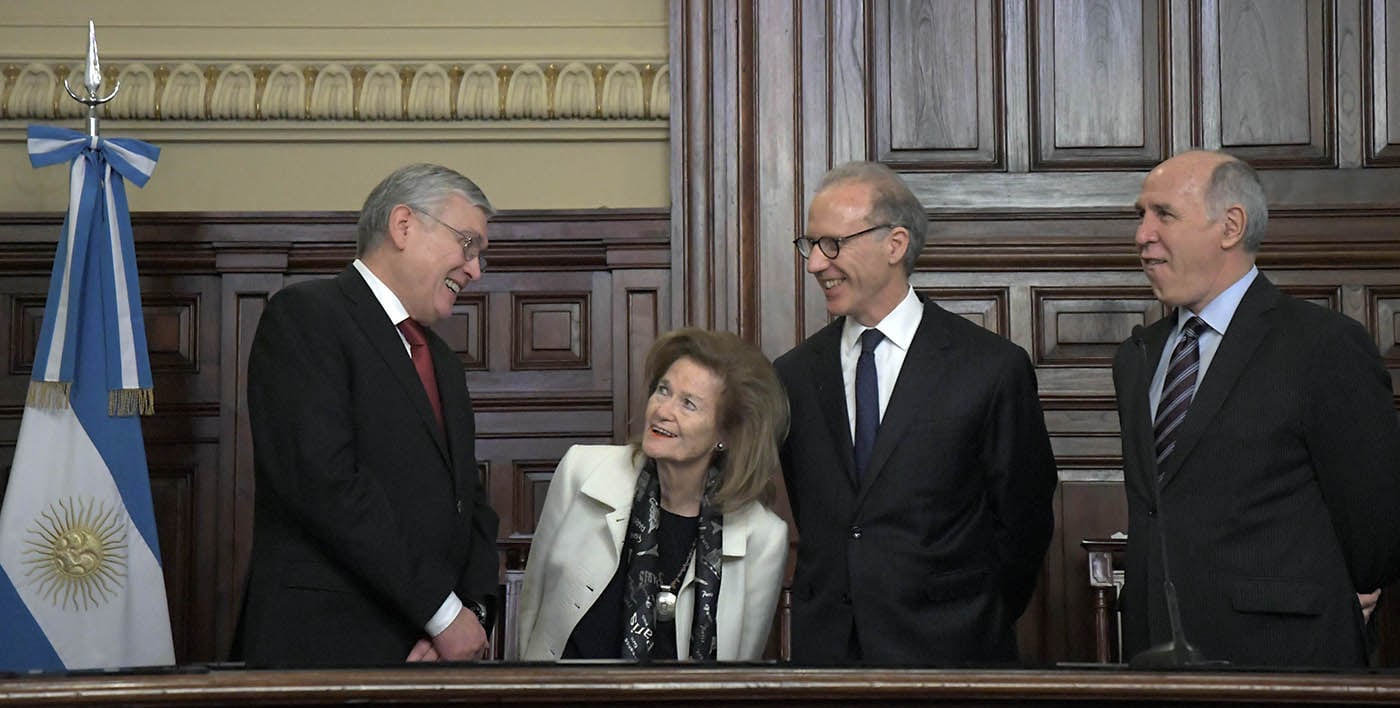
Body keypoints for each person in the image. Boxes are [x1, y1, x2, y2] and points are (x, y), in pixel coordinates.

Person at [1114, 149, 1400, 667]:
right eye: (1141, 216)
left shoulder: (1323, 347)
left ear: (1230, 226)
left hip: (1285, 661)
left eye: (1164, 214)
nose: (1142, 235)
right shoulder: (1138, 356)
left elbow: (1374, 535)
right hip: (1155, 660)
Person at [774, 161, 1057, 666]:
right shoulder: (795, 373)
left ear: (895, 244)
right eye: (809, 245)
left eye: (832, 244)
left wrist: (973, 613)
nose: (816, 263)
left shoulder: (989, 367)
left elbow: (1024, 521)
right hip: (828, 660)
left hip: (954, 655)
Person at [240, 163, 501, 667]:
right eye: (467, 244)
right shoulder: (307, 317)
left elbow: (470, 505)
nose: (474, 269)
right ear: (403, 225)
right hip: (326, 655)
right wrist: (442, 615)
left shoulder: (442, 362)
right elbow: (326, 485)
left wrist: (470, 614)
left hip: (431, 658)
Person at [516, 328, 789, 661]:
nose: (663, 410)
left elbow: (742, 666)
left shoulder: (763, 537)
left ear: (727, 434)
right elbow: (532, 611)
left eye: (688, 404)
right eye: (663, 390)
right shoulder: (582, 472)